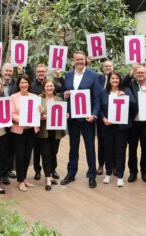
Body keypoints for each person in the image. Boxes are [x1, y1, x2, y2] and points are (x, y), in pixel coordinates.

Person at [60, 51, 102, 188]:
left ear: (85, 60)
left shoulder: (93, 76)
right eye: (77, 59)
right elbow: (63, 93)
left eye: (81, 59)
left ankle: (91, 175)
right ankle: (71, 173)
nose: (79, 62)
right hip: (72, 118)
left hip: (87, 118)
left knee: (90, 147)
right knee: (73, 147)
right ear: (73, 61)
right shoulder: (68, 75)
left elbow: (97, 98)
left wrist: (94, 115)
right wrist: (64, 94)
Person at [99, 71, 137, 187]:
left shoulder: (126, 90)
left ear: (119, 80)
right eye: (112, 78)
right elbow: (99, 108)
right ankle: (108, 174)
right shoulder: (103, 92)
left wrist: (125, 97)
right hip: (108, 126)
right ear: (109, 80)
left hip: (122, 127)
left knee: (120, 152)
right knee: (108, 151)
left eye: (117, 78)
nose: (115, 80)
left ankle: (120, 176)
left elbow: (134, 105)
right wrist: (103, 118)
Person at [11, 75, 40, 191]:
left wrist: (41, 111)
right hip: (19, 131)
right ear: (19, 84)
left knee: (28, 155)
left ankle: (24, 178)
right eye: (22, 83)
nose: (24, 85)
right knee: (20, 155)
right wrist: (22, 119)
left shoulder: (34, 97)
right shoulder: (14, 97)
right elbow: (11, 114)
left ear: (29, 84)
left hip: (31, 131)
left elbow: (38, 112)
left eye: (26, 82)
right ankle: (20, 180)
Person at [36, 80, 66, 191]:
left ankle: (51, 173)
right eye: (47, 86)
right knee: (46, 154)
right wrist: (41, 117)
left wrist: (65, 115)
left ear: (54, 87)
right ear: (44, 87)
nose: (49, 88)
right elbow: (34, 115)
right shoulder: (39, 99)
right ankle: (48, 178)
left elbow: (61, 114)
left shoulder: (59, 99)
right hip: (44, 131)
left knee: (54, 153)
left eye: (51, 86)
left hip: (56, 132)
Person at [127, 65, 146, 183]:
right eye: (138, 73)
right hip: (133, 122)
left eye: (142, 73)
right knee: (132, 149)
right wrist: (132, 69)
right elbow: (123, 81)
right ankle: (133, 172)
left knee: (145, 148)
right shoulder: (131, 84)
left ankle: (145, 172)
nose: (140, 75)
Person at [0, 63, 17, 185]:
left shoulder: (15, 85)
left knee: (11, 147)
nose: (8, 73)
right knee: (2, 147)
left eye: (10, 71)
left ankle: (8, 169)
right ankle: (2, 172)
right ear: (2, 72)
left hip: (12, 120)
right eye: (6, 70)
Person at [96, 60, 114, 175]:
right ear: (103, 68)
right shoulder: (98, 79)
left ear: (113, 67)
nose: (107, 67)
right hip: (101, 116)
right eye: (105, 66)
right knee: (101, 142)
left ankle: (114, 166)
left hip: (115, 117)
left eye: (109, 66)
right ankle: (101, 164)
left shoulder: (117, 79)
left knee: (114, 142)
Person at [31, 64, 48, 181]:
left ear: (45, 72)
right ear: (36, 73)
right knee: (36, 148)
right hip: (35, 122)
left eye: (43, 71)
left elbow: (60, 93)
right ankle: (37, 170)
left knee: (50, 148)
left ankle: (52, 169)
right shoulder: (31, 86)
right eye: (39, 72)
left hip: (48, 122)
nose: (41, 73)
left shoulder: (50, 84)